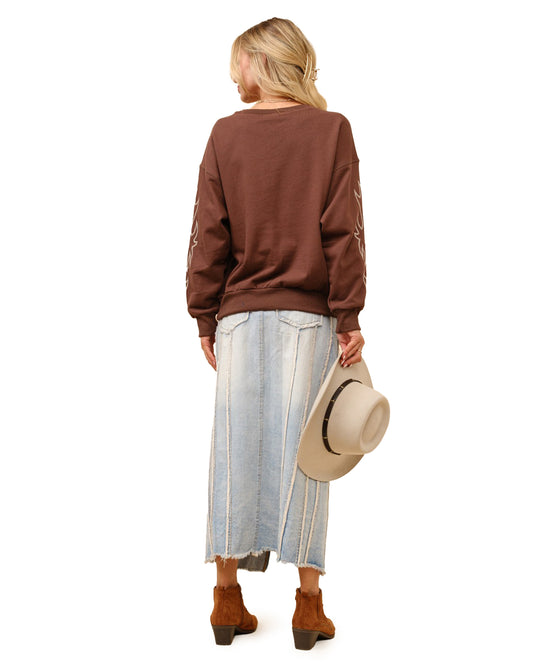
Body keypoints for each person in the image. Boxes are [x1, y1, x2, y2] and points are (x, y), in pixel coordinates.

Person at [185, 17, 367, 650]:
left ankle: (226, 597)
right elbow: (343, 231)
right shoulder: (331, 131)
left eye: (239, 60)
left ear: (263, 62)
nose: (233, 73)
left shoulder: (225, 135)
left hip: (238, 318)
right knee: (309, 453)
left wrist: (204, 314)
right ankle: (308, 606)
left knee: (232, 452)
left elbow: (209, 233)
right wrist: (349, 314)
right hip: (308, 319)